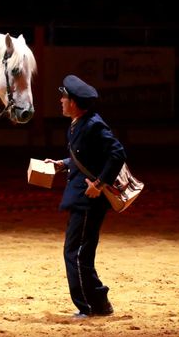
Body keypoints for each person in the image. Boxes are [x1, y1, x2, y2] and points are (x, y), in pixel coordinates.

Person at [45, 74, 126, 319]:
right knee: (79, 251)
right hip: (81, 196)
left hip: (89, 199)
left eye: (64, 97)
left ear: (75, 103)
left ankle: (90, 306)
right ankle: (98, 302)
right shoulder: (80, 123)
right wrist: (63, 163)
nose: (60, 100)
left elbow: (117, 153)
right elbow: (87, 156)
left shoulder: (93, 124)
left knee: (77, 253)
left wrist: (100, 184)